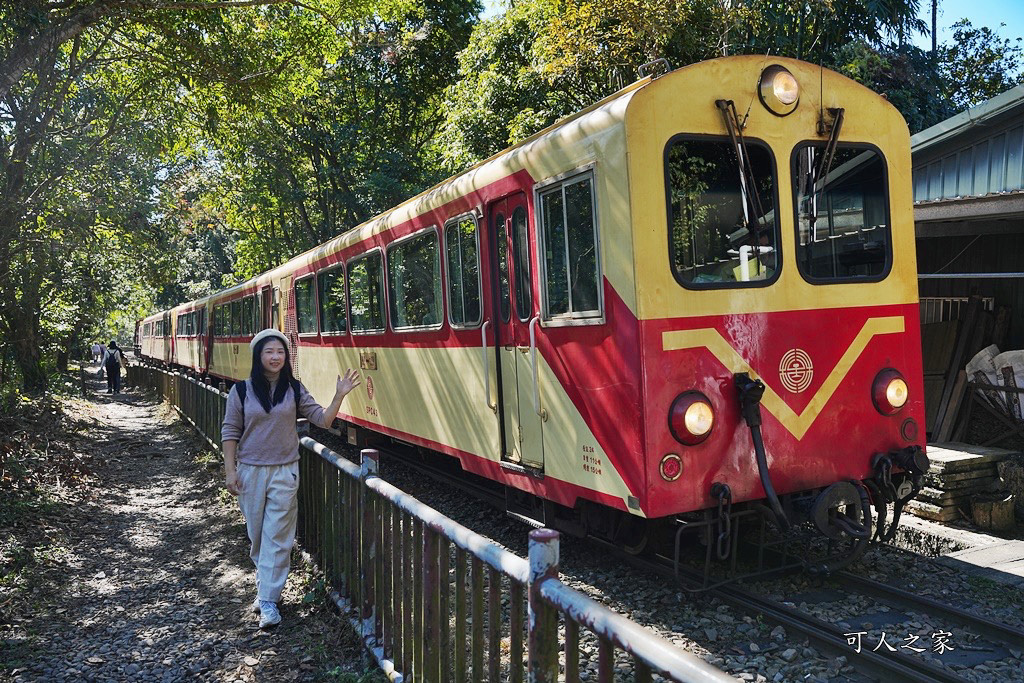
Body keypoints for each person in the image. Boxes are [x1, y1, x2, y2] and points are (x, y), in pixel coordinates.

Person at [221, 329, 360, 630]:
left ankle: (269, 601)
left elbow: (322, 420)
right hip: (250, 471)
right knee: (257, 535)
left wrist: (339, 395)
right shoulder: (241, 391)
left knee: (278, 536)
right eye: (270, 351)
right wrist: (230, 471)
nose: (275, 357)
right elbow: (230, 432)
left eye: (281, 352)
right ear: (259, 356)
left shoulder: (294, 389)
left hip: (285, 470)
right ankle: (265, 587)